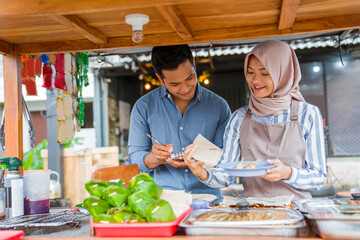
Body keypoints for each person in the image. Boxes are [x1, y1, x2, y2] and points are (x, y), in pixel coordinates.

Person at [184, 40, 327, 199]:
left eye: (265, 73)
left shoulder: (307, 114)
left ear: (283, 73)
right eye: (250, 72)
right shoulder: (239, 117)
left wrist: (288, 173)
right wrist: (201, 172)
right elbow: (227, 175)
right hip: (253, 212)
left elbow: (319, 177)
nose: (255, 80)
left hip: (297, 213)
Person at [128, 44, 231, 199]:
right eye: (174, 84)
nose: (185, 88)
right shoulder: (144, 107)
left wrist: (199, 160)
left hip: (208, 198)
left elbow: (226, 160)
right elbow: (134, 159)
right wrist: (154, 158)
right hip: (163, 200)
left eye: (190, 78)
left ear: (194, 65)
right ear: (159, 78)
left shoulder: (218, 106)